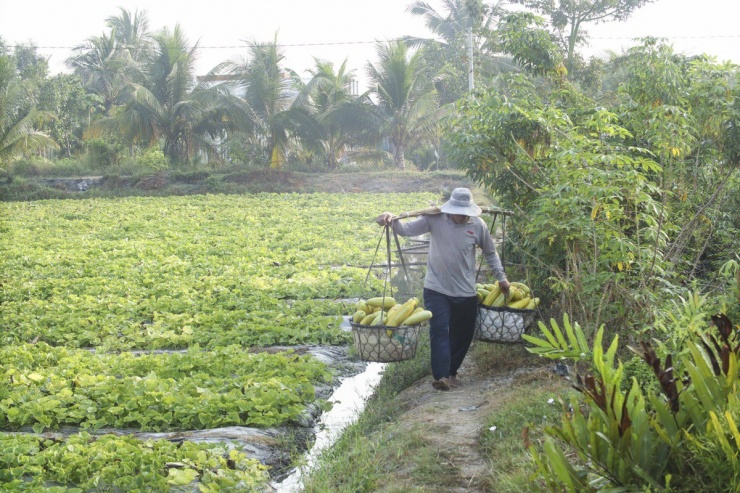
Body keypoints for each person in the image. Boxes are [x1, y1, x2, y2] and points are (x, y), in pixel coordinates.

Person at [377, 188, 510, 391]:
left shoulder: (478, 225)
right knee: (439, 330)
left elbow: (490, 253)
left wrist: (501, 278)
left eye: (466, 212)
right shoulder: (435, 219)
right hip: (436, 288)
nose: (462, 216)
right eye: (458, 211)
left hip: (465, 290)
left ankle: (452, 371)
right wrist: (390, 219)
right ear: (450, 209)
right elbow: (407, 230)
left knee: (463, 334)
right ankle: (441, 376)